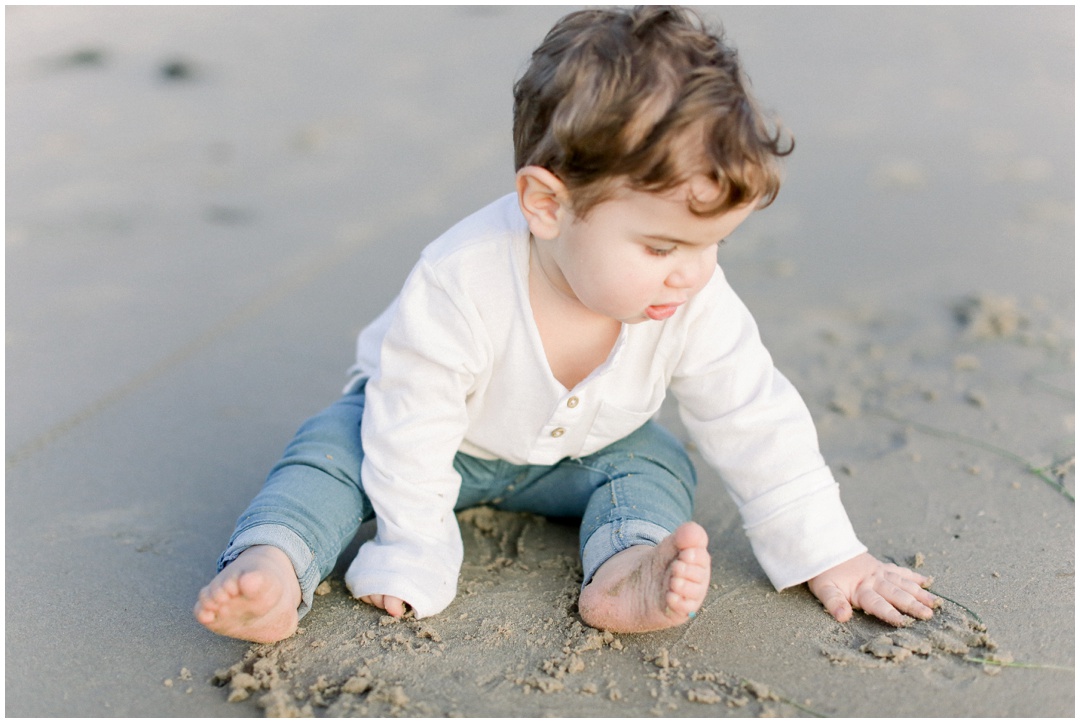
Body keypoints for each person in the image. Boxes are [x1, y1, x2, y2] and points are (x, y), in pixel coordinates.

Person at [195, 6, 939, 644]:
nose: (694, 272)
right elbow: (411, 422)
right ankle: (273, 564)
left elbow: (753, 413)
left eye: (714, 242)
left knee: (657, 465)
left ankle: (624, 567)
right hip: (433, 437)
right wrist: (414, 551)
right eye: (662, 245)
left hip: (584, 453)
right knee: (329, 450)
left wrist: (829, 552)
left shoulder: (692, 294)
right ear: (547, 206)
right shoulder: (461, 279)